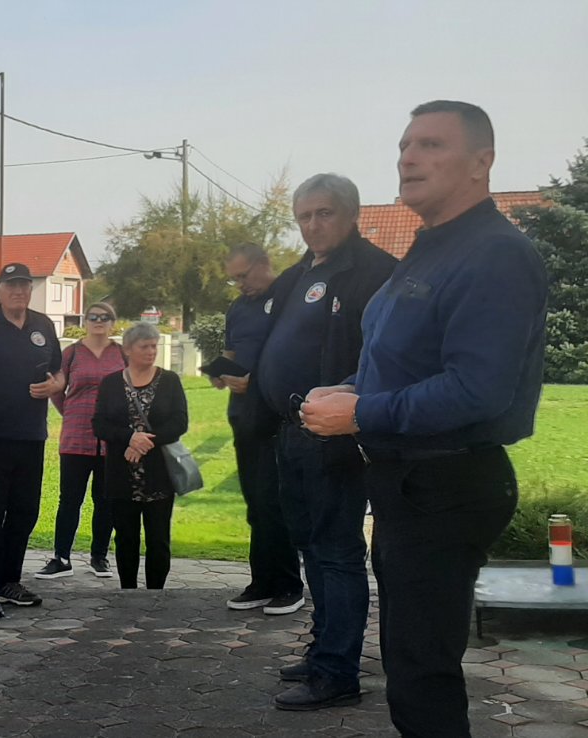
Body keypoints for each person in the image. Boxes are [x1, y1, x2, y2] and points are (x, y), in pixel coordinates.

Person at [302, 101, 548, 736]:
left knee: (422, 670)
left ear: (481, 162)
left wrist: (360, 413)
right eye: (406, 145)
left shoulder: (494, 253)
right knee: (412, 660)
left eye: (432, 145)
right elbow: (402, 359)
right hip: (409, 482)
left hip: (446, 483)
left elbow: (479, 390)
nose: (409, 158)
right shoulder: (430, 246)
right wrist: (349, 388)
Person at [259, 172, 397, 711]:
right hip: (290, 432)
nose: (312, 225)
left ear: (351, 213)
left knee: (337, 552)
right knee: (311, 548)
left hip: (336, 435)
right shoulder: (298, 274)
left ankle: (338, 673)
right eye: (304, 216)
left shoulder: (376, 273)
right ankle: (322, 652)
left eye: (324, 213)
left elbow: (387, 357)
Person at [0, 263, 62, 615]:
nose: (18, 291)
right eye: (11, 285)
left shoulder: (43, 325)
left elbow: (59, 371)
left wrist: (56, 385)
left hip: (31, 437)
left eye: (24, 285)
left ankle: (9, 580)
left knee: (24, 512)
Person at [216, 244, 303, 614]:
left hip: (275, 416)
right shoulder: (238, 308)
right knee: (255, 504)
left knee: (275, 501)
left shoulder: (286, 296)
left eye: (244, 276)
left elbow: (293, 350)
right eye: (233, 278)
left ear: (264, 263)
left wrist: (260, 378)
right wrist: (222, 373)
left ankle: (289, 585)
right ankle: (262, 581)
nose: (240, 285)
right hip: (243, 418)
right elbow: (231, 355)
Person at [91, 324, 188, 590]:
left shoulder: (169, 380)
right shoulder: (111, 383)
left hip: (159, 474)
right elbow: (99, 425)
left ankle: (156, 593)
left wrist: (144, 442)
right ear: (128, 350)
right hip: (121, 476)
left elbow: (179, 423)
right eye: (144, 346)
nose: (150, 351)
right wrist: (129, 437)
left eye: (154, 346)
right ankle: (128, 592)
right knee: (125, 538)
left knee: (158, 539)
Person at [37, 302, 125, 580]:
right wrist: (73, 413)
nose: (99, 321)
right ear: (85, 321)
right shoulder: (71, 353)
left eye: (105, 317)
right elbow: (56, 389)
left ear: (113, 323)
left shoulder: (121, 353)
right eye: (93, 317)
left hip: (111, 440)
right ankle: (61, 557)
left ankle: (99, 556)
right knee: (69, 499)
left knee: (105, 499)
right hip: (75, 438)